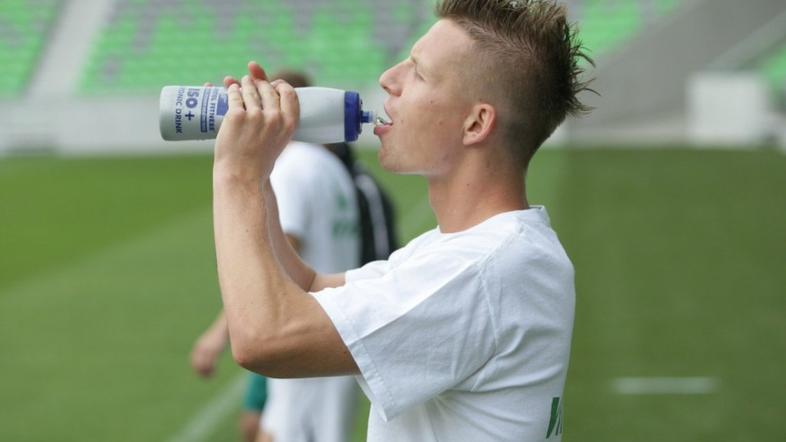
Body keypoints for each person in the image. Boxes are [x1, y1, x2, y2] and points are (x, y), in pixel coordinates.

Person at [210, 0, 593, 440]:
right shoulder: (471, 252)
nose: (389, 79)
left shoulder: (483, 270)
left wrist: (234, 174)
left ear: (476, 123)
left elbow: (264, 338)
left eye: (419, 72)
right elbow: (308, 286)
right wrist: (260, 171)